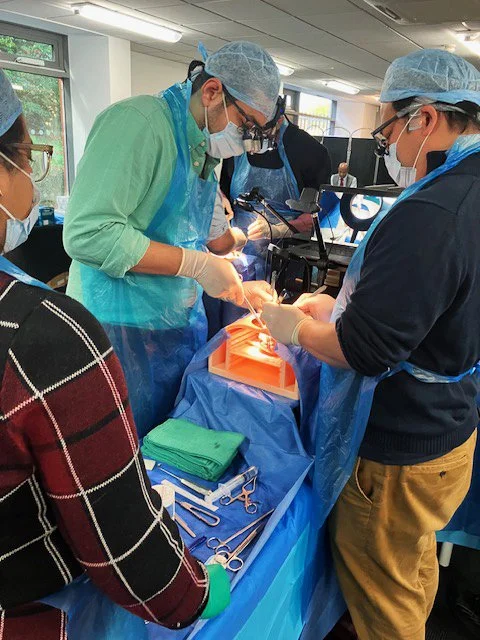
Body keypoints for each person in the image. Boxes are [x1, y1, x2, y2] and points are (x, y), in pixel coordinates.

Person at [0, 69, 229, 640]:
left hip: (165, 322)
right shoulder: (45, 340)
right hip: (120, 321)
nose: (33, 176)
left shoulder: (198, 147)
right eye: (29, 157)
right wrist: (196, 593)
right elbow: (119, 542)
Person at [261, 48, 480, 639]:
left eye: (386, 130)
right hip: (451, 430)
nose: (387, 147)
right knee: (410, 567)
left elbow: (364, 352)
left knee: (384, 599)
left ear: (425, 118)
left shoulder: (433, 210)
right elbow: (432, 303)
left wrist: (296, 328)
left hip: (399, 451)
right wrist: (341, 309)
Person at [64, 41, 280, 438]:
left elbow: (191, 235)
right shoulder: (140, 124)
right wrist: (196, 265)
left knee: (167, 447)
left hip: (175, 325)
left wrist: (231, 283)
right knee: (120, 449)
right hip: (117, 327)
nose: (246, 139)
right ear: (212, 91)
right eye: (246, 124)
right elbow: (88, 234)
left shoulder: (204, 147)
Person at [221, 115, 331, 278]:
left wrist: (279, 230)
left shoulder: (308, 150)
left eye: (259, 127)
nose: (252, 137)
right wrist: (220, 204)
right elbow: (222, 188)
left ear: (278, 117)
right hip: (237, 251)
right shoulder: (236, 145)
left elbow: (320, 213)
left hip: (286, 258)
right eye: (246, 126)